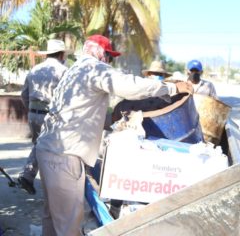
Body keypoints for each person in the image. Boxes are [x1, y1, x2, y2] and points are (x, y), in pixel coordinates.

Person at [35, 34, 193, 236]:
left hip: (48, 150)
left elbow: (85, 109)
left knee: (52, 218)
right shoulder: (93, 67)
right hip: (64, 156)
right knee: (68, 225)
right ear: (100, 53)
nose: (109, 61)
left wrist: (115, 120)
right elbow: (130, 86)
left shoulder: (74, 70)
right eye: (109, 56)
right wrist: (171, 87)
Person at [18, 39, 68, 194]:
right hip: (50, 116)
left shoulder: (34, 70)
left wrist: (31, 110)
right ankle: (50, 184)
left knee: (39, 145)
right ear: (61, 54)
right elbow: (66, 97)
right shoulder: (63, 71)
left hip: (33, 114)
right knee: (51, 150)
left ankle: (28, 176)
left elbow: (24, 94)